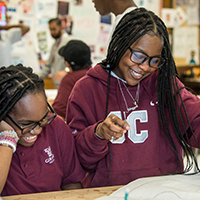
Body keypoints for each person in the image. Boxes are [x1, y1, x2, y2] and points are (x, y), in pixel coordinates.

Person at [66, 8, 200, 188]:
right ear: (118, 44)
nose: (145, 67)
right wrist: (98, 133)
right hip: (109, 193)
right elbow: (77, 159)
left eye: (154, 60)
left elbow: (195, 121)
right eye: (139, 56)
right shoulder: (87, 89)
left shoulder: (164, 83)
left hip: (164, 191)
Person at [0, 64, 85, 196]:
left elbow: (71, 183)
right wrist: (7, 140)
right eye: (26, 124)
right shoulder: (4, 144)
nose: (37, 130)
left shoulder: (56, 127)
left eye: (43, 119)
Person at [52, 40, 92, 120]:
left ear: (67, 63)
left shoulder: (69, 80)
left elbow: (59, 110)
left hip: (77, 128)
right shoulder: (95, 75)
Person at [39, 18, 69, 88]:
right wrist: (36, 77)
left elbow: (75, 65)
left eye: (54, 29)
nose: (52, 32)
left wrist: (66, 71)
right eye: (50, 30)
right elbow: (48, 66)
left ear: (61, 27)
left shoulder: (68, 42)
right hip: (57, 84)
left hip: (67, 84)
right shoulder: (54, 45)